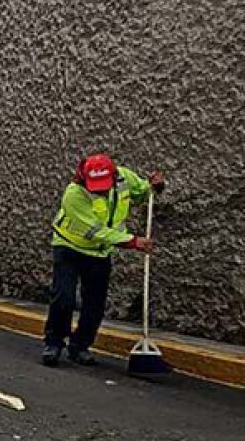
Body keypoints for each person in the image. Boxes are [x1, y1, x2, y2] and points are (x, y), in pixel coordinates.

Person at [42, 153, 164, 366]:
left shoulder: (125, 179)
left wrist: (154, 187)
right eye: (95, 185)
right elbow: (95, 231)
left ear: (114, 176)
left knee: (95, 303)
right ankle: (54, 343)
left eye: (103, 185)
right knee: (64, 297)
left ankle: (80, 346)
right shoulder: (73, 195)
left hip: (99, 253)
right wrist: (133, 242)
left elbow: (142, 192)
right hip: (68, 247)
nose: (99, 190)